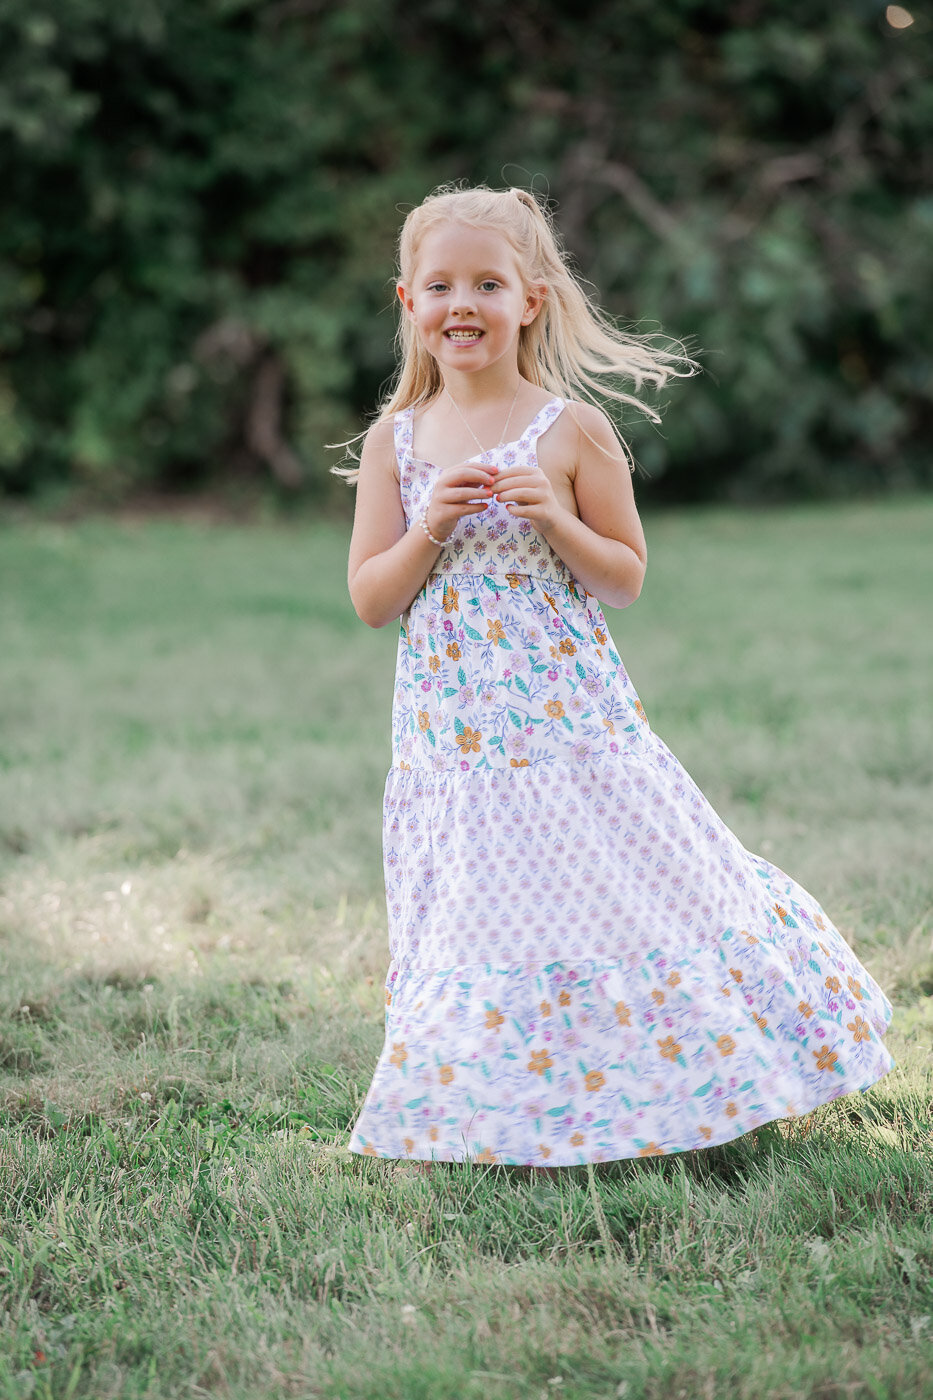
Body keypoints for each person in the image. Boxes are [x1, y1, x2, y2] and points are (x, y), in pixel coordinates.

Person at [340, 183, 894, 1167]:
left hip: (570, 723)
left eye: (487, 283)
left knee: (618, 885)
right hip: (452, 741)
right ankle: (499, 1110)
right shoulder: (397, 440)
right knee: (481, 907)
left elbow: (626, 576)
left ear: (532, 300)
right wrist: (430, 524)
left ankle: (677, 1083)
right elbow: (373, 598)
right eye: (440, 285)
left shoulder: (572, 430)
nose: (461, 302)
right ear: (408, 304)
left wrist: (554, 514)